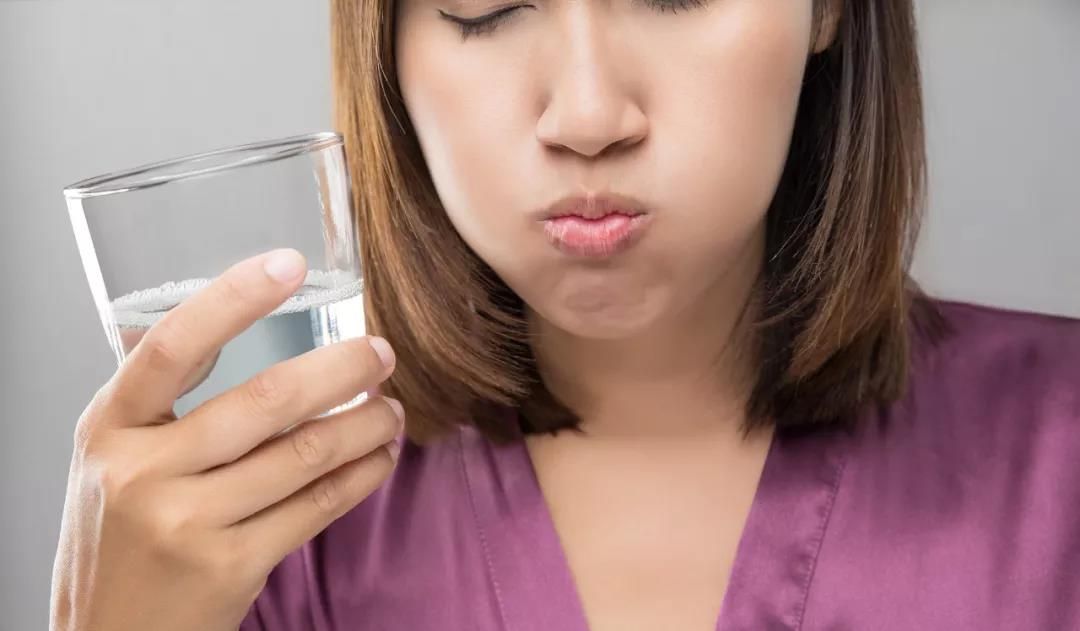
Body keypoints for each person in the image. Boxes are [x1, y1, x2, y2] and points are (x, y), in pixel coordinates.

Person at [50, 0, 1080, 629]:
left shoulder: (1060, 461)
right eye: (485, 7)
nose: (587, 116)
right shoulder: (263, 543)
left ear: (829, 11)